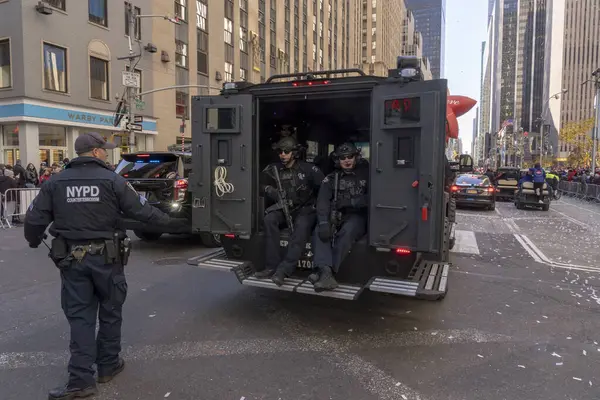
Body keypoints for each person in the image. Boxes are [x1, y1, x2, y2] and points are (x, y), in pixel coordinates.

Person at [24, 132, 187, 400]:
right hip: (107, 259)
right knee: (110, 311)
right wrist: (179, 224)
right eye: (104, 149)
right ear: (96, 152)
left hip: (72, 261)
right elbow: (143, 212)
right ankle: (108, 366)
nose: (107, 153)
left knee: (80, 317)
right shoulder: (113, 181)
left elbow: (34, 220)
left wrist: (33, 241)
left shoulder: (55, 182)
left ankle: (80, 380)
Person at [256, 136, 325, 286]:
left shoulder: (308, 169)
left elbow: (325, 190)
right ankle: (271, 266)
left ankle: (284, 270)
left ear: (294, 153)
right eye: (280, 152)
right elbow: (258, 184)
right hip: (285, 208)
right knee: (269, 220)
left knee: (300, 229)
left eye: (286, 151)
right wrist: (270, 190)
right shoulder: (274, 169)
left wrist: (318, 208)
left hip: (306, 210)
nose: (282, 155)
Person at [311, 143, 368, 291]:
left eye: (350, 156)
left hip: (356, 216)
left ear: (356, 157)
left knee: (346, 233)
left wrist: (351, 202)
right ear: (338, 160)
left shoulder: (366, 175)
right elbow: (322, 202)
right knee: (320, 232)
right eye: (343, 157)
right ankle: (325, 272)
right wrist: (323, 222)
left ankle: (325, 273)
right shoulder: (331, 178)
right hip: (337, 215)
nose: (347, 160)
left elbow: (372, 198)